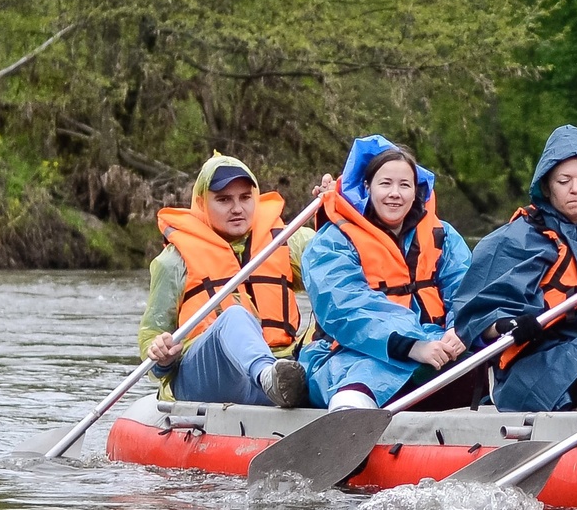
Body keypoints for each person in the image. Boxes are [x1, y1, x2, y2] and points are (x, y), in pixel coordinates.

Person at [453, 125, 577, 413]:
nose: (575, 188)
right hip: (540, 363)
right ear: (547, 187)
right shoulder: (512, 240)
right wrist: (506, 325)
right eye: (564, 180)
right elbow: (476, 319)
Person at [297, 138, 473, 411]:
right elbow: (345, 308)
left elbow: (465, 288)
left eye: (405, 185)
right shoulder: (333, 241)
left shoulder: (443, 235)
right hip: (356, 352)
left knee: (485, 353)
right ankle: (348, 414)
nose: (395, 193)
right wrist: (412, 345)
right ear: (367, 187)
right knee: (369, 369)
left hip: (436, 343)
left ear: (416, 191)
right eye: (385, 183)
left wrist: (458, 329)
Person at [141, 152, 311, 408]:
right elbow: (151, 337)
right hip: (208, 379)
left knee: (328, 325)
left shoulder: (286, 241)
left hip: (283, 370)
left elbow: (339, 267)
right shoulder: (173, 262)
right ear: (202, 203)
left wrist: (335, 207)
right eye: (223, 200)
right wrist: (161, 355)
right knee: (234, 316)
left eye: (245, 198)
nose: (237, 209)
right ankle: (267, 376)